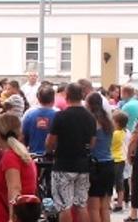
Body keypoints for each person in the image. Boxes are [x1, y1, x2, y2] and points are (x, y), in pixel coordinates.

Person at [45, 83, 96, 222]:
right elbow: (92, 143)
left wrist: (50, 149)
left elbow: (50, 142)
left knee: (64, 205)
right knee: (81, 204)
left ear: (66, 96)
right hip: (83, 165)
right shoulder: (90, 117)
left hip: (63, 164)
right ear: (82, 96)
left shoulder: (60, 116)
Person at [0, 114, 38, 222]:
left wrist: (11, 218)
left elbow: (14, 188)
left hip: (4, 217)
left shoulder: (10, 156)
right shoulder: (23, 155)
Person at [85, 93, 114, 222]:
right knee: (105, 207)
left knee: (93, 207)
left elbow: (91, 144)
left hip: (96, 166)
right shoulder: (108, 121)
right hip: (109, 163)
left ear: (89, 104)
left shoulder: (92, 121)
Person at [22, 85, 57, 155]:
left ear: (38, 99)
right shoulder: (58, 115)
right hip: (53, 156)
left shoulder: (28, 114)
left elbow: (23, 137)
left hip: (33, 156)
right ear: (53, 99)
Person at [110, 110, 130, 213]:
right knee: (120, 181)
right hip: (121, 159)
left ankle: (111, 202)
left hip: (114, 159)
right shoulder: (124, 132)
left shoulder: (115, 134)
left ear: (117, 122)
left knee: (112, 182)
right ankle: (120, 203)